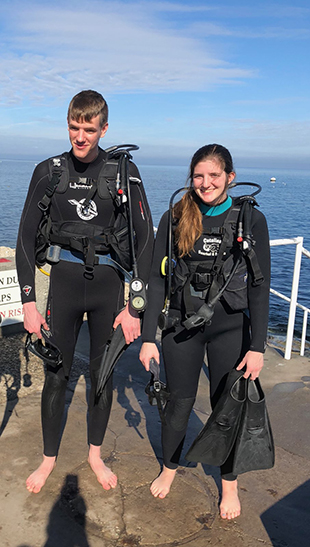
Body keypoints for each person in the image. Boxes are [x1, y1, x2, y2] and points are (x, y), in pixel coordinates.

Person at [16, 90, 154, 494]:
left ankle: (95, 454)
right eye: (74, 127)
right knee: (55, 376)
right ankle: (48, 458)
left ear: (104, 128)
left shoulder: (123, 171)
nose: (81, 137)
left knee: (101, 376)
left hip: (109, 289)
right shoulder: (49, 171)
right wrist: (28, 301)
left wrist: (135, 307)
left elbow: (145, 240)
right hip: (64, 286)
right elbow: (24, 236)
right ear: (68, 124)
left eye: (89, 129)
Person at [139, 144, 270, 520]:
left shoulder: (250, 219)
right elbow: (155, 281)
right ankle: (169, 467)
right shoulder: (175, 217)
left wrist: (257, 346)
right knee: (177, 404)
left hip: (231, 328)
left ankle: (229, 483)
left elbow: (260, 287)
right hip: (182, 327)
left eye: (214, 175)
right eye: (198, 176)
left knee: (226, 407)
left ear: (230, 176)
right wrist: (150, 337)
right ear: (190, 178)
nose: (205, 183)